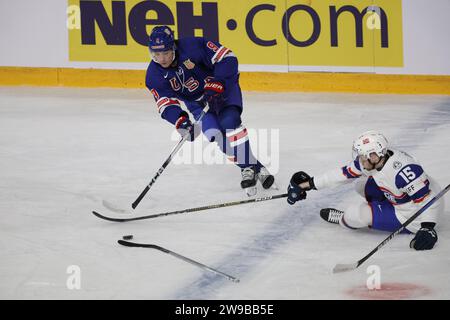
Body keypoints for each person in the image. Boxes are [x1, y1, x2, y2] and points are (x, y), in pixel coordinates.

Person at [145, 26, 274, 196]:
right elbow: (165, 103)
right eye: (156, 54)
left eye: (165, 53)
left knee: (230, 122)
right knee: (215, 134)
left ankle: (247, 168)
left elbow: (228, 57)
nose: (161, 59)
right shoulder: (153, 75)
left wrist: (218, 81)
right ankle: (255, 166)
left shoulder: (193, 45)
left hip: (222, 91)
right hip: (197, 104)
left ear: (173, 47)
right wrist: (180, 120)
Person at [286, 130, 444, 251]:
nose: (360, 160)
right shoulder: (376, 160)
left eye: (363, 157)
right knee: (360, 184)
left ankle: (343, 219)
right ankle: (381, 209)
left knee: (354, 215)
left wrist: (427, 227)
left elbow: (428, 200)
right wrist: (309, 184)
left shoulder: (404, 172)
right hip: (400, 197)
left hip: (412, 215)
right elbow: (343, 174)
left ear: (374, 157)